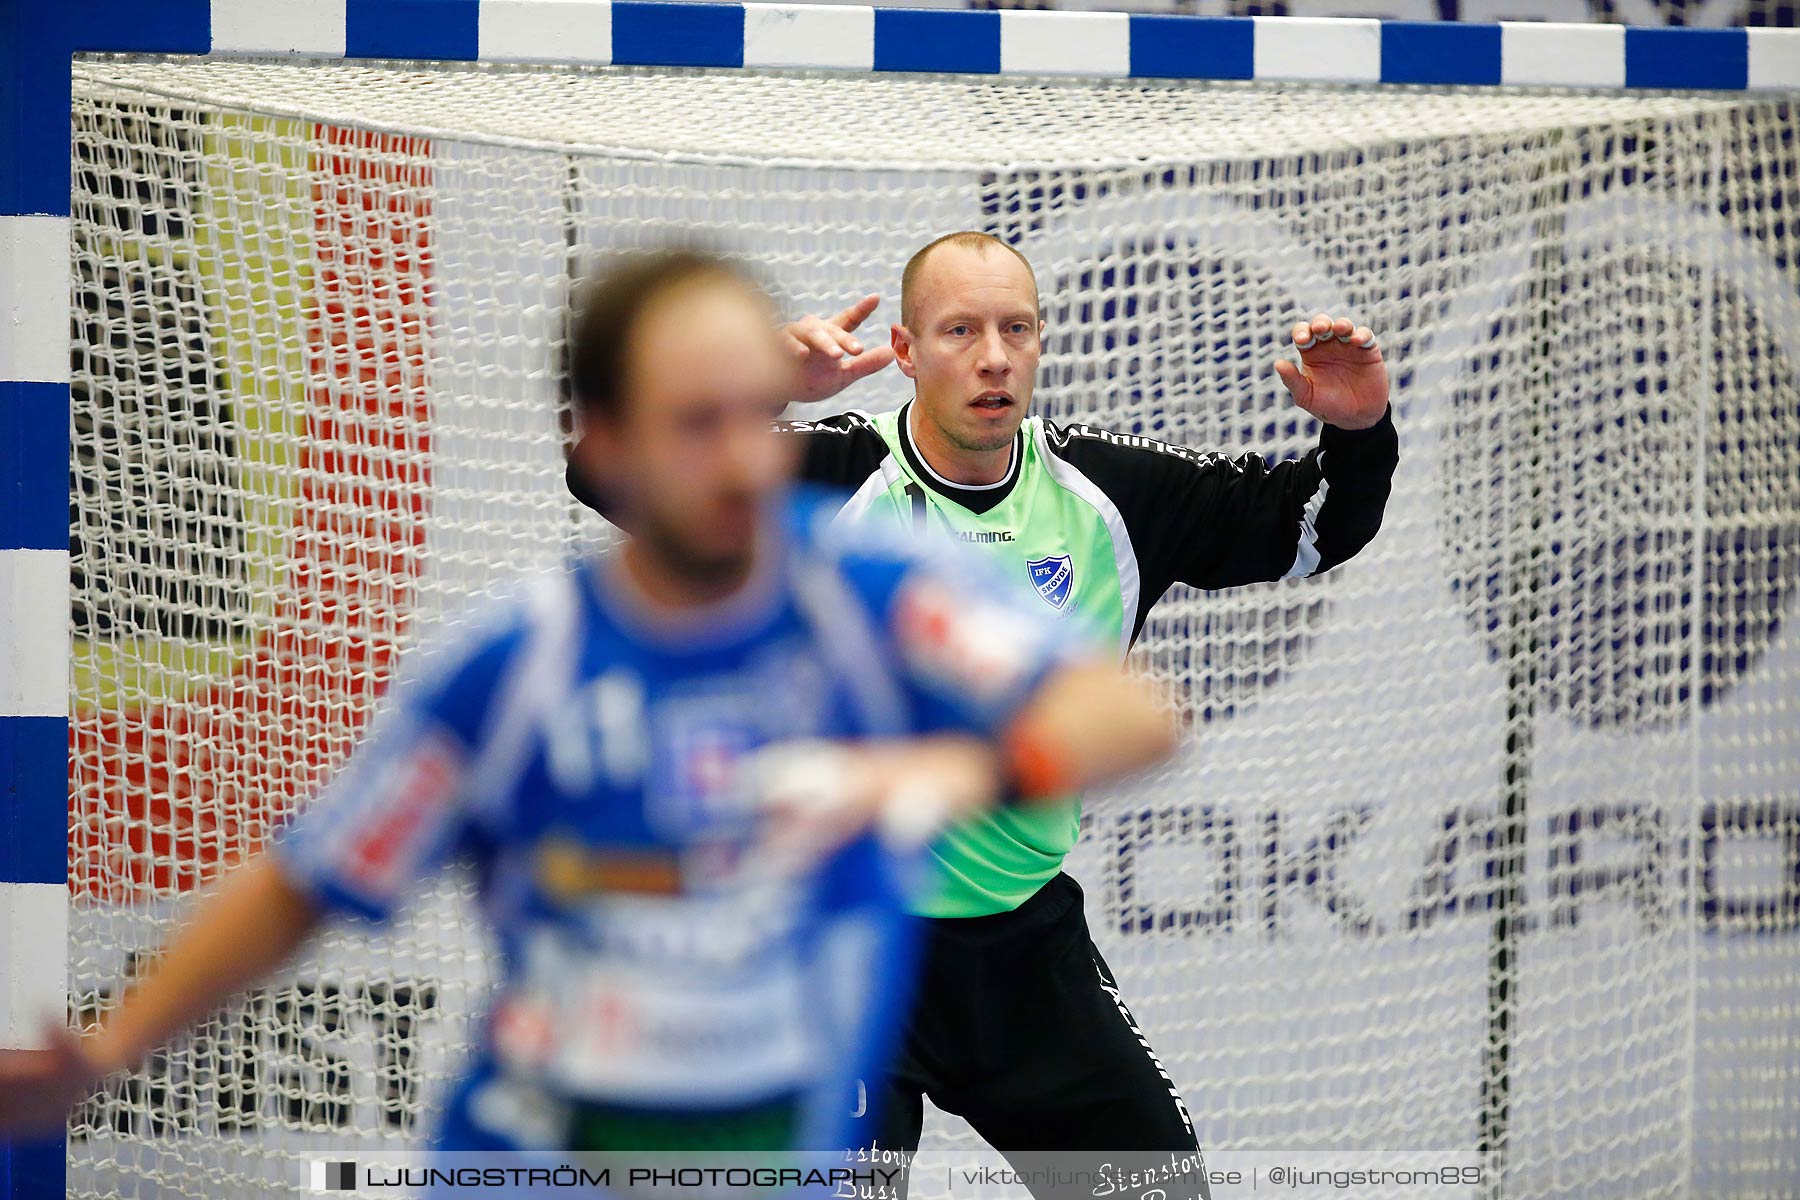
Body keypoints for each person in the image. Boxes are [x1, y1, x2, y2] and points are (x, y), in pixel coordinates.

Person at [0, 250, 1178, 1189]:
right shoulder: (517, 673)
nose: (737, 462)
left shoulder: (865, 596)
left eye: (750, 423)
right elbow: (306, 882)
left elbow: (1121, 718)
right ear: (607, 448)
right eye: (695, 423)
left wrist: (933, 777)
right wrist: (108, 1049)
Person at [569, 231, 1397, 1183]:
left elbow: (1313, 528)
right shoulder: (827, 478)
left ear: (1042, 343)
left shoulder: (1108, 494)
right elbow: (609, 468)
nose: (993, 356)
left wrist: (1359, 429)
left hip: (1022, 946)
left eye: (1016, 329)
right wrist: (758, 388)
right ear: (908, 351)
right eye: (959, 329)